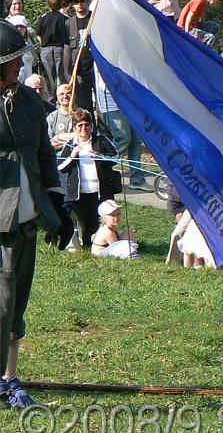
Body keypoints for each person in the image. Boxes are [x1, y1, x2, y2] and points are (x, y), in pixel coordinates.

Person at [0, 20, 73, 408]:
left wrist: (57, 204)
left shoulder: (28, 102)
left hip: (26, 218)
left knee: (16, 303)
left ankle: (9, 379)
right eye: (12, 60)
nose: (19, 65)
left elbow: (45, 155)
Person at [57, 108, 118, 248]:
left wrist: (100, 156)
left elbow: (116, 157)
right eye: (80, 125)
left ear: (91, 126)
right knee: (85, 224)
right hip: (80, 194)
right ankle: (78, 245)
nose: (84, 128)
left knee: (98, 223)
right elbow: (60, 166)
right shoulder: (70, 144)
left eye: (87, 124)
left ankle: (105, 245)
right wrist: (72, 156)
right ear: (75, 128)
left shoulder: (101, 141)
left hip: (100, 192)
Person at [95, 66, 152, 191]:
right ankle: (98, 165)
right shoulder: (102, 52)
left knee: (135, 142)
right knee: (123, 139)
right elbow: (111, 83)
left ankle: (137, 180)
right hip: (112, 106)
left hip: (129, 105)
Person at [62, 0, 94, 112]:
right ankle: (91, 129)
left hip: (96, 69)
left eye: (82, 1)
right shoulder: (68, 24)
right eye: (76, 2)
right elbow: (67, 48)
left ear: (87, 1)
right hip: (79, 71)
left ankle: (103, 130)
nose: (79, 4)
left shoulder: (95, 18)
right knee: (84, 107)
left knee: (102, 106)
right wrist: (67, 72)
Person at [36, 0, 68, 93]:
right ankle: (61, 95)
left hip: (46, 49)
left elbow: (38, 35)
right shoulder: (65, 18)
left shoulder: (43, 18)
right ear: (61, 4)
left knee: (49, 77)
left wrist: (42, 44)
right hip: (60, 48)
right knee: (61, 76)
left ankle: (51, 98)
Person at [6, 15, 35, 84]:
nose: (19, 29)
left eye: (21, 26)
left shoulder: (29, 43)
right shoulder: (8, 45)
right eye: (16, 26)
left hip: (28, 76)